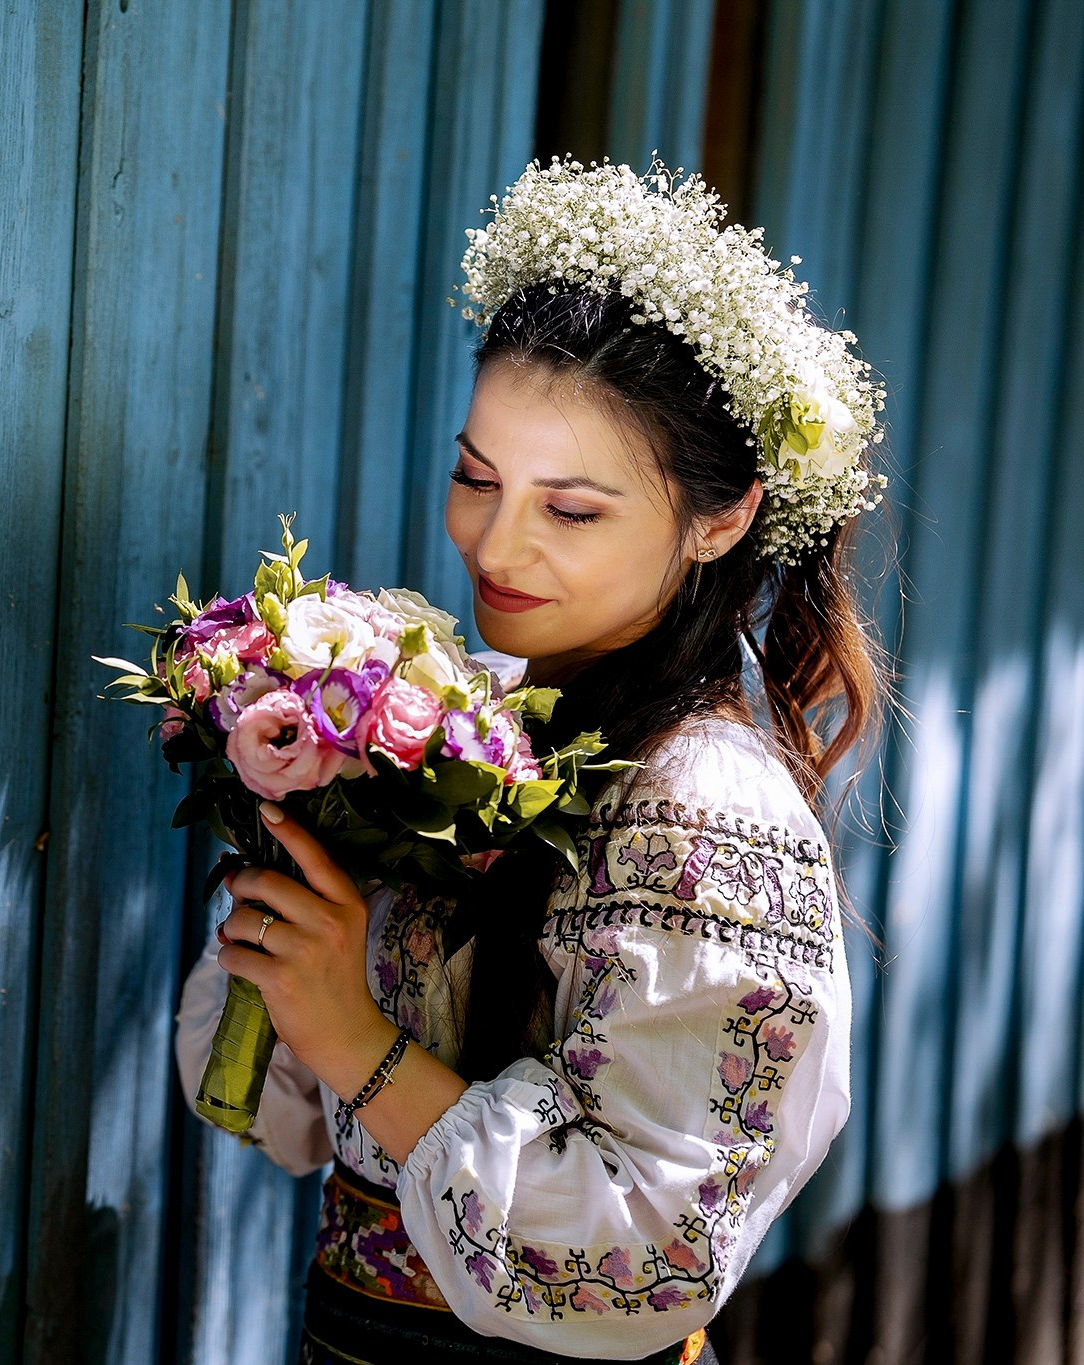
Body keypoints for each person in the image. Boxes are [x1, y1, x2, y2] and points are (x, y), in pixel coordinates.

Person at [174, 158, 887, 1364]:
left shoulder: (703, 809)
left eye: (571, 510)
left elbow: (649, 1251)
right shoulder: (472, 728)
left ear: (719, 519)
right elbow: (279, 1120)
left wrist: (354, 1036)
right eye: (474, 477)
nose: (492, 545)